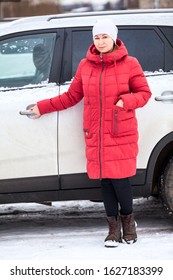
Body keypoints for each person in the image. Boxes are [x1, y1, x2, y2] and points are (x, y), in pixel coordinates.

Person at [29, 19, 152, 248]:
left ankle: (129, 222)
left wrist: (126, 100)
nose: (101, 41)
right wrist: (42, 106)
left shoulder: (130, 64)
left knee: (121, 180)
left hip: (120, 131)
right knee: (105, 181)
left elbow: (144, 93)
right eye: (97, 37)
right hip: (95, 132)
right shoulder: (86, 65)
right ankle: (113, 230)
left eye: (105, 36)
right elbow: (71, 97)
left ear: (113, 38)